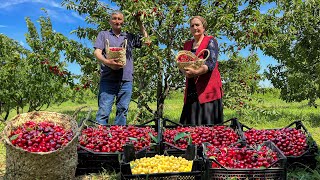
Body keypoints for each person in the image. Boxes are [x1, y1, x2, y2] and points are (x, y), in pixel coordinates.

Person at [93, 10, 150, 125]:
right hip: (108, 78)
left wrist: (140, 24)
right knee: (103, 111)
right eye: (114, 18)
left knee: (122, 111)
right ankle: (99, 139)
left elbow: (147, 42)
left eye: (119, 19)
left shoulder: (128, 36)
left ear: (123, 21)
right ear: (110, 21)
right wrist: (107, 62)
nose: (117, 21)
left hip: (126, 79)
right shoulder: (104, 35)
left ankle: (118, 138)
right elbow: (97, 52)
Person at [179, 16, 223, 125]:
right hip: (192, 89)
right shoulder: (187, 44)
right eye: (192, 26)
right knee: (190, 125)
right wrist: (184, 71)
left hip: (208, 89)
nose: (195, 28)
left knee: (208, 126)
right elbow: (182, 62)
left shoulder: (210, 41)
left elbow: (211, 63)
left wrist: (196, 72)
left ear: (203, 27)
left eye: (197, 25)